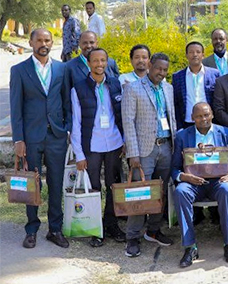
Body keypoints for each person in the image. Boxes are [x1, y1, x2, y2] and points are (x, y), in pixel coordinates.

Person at [10, 29, 71, 249]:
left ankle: (55, 229)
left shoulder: (62, 69)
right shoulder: (19, 70)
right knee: (32, 186)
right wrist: (19, 140)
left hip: (56, 136)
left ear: (51, 42)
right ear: (31, 42)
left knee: (56, 184)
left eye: (47, 40)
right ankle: (32, 229)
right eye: (39, 40)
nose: (43, 43)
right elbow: (16, 107)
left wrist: (68, 128)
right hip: (31, 137)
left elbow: (67, 102)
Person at [121, 52, 177, 257]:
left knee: (159, 192)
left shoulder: (168, 88)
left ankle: (153, 230)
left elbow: (171, 118)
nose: (161, 73)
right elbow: (128, 122)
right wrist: (133, 154)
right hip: (144, 150)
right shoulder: (133, 88)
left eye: (165, 70)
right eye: (158, 68)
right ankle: (132, 237)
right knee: (140, 193)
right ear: (150, 65)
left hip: (166, 147)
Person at [171, 102, 228, 267]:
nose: (204, 119)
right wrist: (184, 176)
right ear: (192, 118)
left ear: (212, 115)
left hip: (218, 182)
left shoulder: (225, 132)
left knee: (226, 189)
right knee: (180, 192)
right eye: (199, 116)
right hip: (194, 184)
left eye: (207, 115)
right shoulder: (182, 136)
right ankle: (190, 247)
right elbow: (174, 168)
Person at [70, 48, 126, 247]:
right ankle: (96, 229)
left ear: (107, 62)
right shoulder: (78, 88)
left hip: (114, 143)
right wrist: (79, 154)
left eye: (103, 60)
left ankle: (111, 224)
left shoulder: (115, 84)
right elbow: (75, 123)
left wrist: (125, 141)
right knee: (94, 189)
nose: (99, 64)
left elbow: (121, 115)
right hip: (91, 146)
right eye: (95, 60)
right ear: (89, 63)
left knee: (113, 186)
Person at [173, 42, 220, 130]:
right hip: (187, 123)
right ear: (186, 55)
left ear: (203, 55)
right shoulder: (178, 76)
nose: (195, 55)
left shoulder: (214, 74)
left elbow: (218, 100)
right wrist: (179, 126)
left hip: (209, 122)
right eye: (191, 52)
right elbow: (176, 103)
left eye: (198, 52)